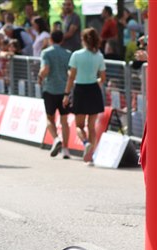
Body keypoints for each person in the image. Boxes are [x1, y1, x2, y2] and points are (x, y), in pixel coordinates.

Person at [63, 28, 106, 165]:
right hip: (93, 90)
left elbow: (71, 77)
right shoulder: (99, 56)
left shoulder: (76, 55)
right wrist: (96, 82)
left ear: (83, 40)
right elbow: (103, 78)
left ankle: (85, 143)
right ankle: (90, 156)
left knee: (79, 126)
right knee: (91, 126)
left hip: (80, 90)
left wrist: (66, 94)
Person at [38, 30, 72, 159]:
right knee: (64, 120)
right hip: (64, 90)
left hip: (50, 89)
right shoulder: (68, 53)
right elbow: (70, 72)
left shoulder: (46, 52)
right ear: (62, 40)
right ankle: (66, 150)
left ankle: (56, 139)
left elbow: (45, 69)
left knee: (49, 118)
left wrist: (40, 76)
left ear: (51, 39)